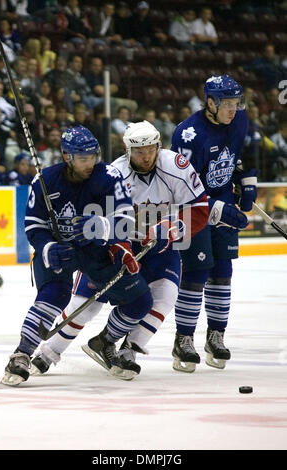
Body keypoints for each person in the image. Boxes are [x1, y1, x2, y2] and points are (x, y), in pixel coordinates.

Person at [30, 120, 209, 380]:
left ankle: (123, 349)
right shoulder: (114, 173)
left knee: (166, 296)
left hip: (161, 244)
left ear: (159, 146)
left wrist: (171, 229)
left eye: (150, 149)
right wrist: (120, 248)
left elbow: (199, 209)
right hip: (116, 245)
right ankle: (48, 352)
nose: (146, 156)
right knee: (86, 304)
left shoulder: (176, 166)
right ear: (127, 150)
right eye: (138, 151)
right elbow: (103, 222)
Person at [1, 125, 155, 386]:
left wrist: (101, 228)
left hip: (98, 252)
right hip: (60, 251)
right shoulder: (45, 180)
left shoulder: (109, 176)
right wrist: (48, 248)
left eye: (93, 156)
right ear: (66, 156)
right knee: (54, 296)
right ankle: (22, 353)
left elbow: (125, 217)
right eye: (83, 158)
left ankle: (105, 340)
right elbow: (33, 224)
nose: (90, 163)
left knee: (140, 301)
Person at [170, 75, 257, 371]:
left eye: (237, 102)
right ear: (210, 102)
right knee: (197, 271)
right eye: (228, 103)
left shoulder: (239, 121)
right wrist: (218, 208)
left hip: (221, 199)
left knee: (223, 270)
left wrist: (247, 181)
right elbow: (182, 189)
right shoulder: (188, 135)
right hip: (193, 209)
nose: (234, 109)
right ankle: (183, 340)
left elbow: (242, 154)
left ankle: (215, 337)